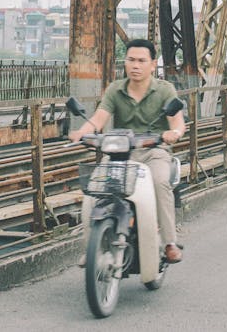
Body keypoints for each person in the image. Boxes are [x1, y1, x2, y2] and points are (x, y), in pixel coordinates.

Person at [69, 38, 186, 264]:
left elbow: (177, 123)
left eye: (142, 61)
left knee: (161, 182)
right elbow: (98, 119)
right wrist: (81, 133)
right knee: (94, 188)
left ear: (153, 65)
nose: (135, 65)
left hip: (154, 150)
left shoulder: (165, 90)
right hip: (120, 152)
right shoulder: (116, 89)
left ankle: (170, 242)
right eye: (131, 60)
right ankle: (91, 247)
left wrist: (175, 133)